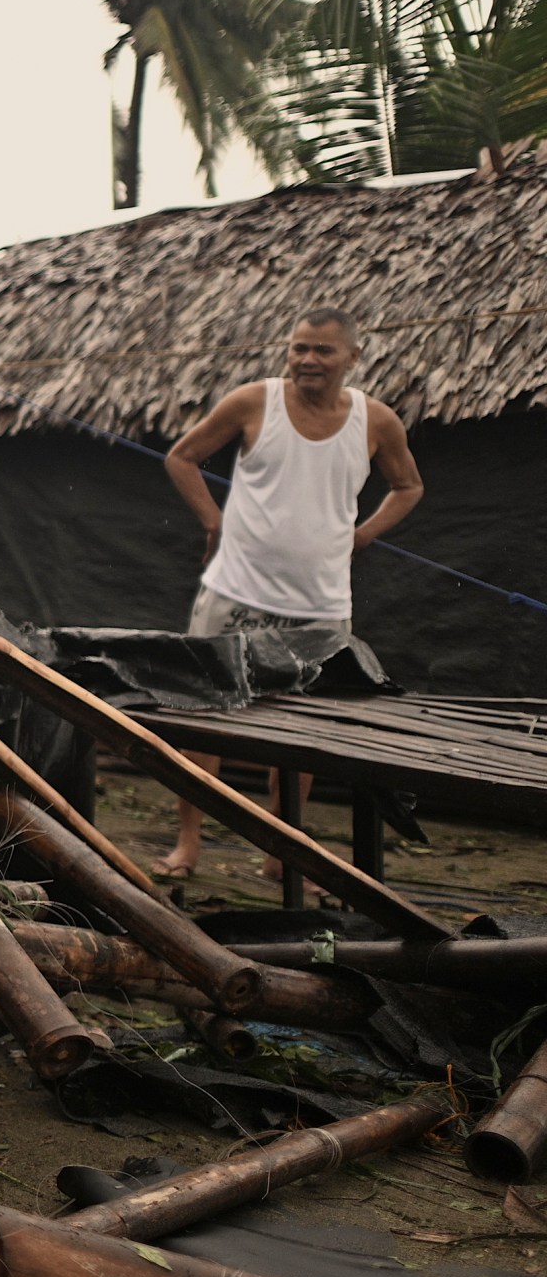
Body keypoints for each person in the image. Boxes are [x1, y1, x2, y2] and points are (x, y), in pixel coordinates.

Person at [151, 305, 424, 878]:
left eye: (322, 350)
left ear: (352, 357)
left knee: (304, 730)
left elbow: (407, 486)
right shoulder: (255, 401)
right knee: (205, 714)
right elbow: (182, 457)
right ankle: (188, 843)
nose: (307, 360)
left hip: (320, 605)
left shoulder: (376, 422)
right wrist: (214, 523)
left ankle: (282, 849)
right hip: (235, 590)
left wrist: (363, 535)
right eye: (299, 348)